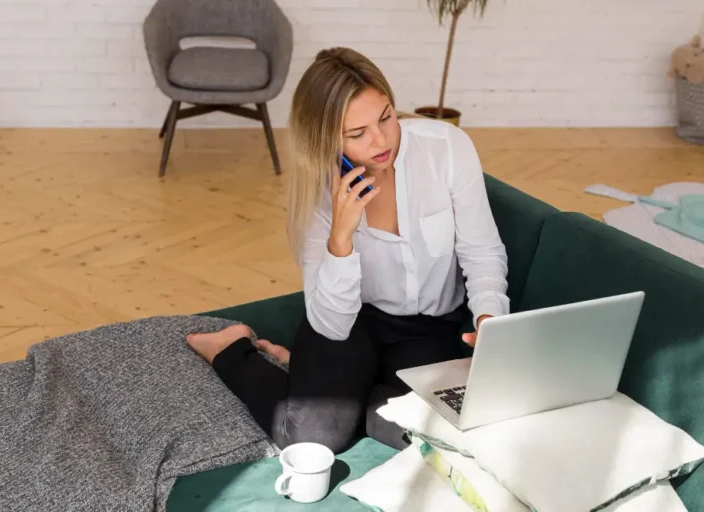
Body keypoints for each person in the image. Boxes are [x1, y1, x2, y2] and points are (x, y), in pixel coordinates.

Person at [187, 47, 509, 453]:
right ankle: (231, 350)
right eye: (357, 134)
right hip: (351, 325)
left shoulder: (446, 148)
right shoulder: (321, 188)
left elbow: (482, 252)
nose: (381, 140)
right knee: (312, 439)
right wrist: (341, 238)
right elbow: (332, 325)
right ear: (327, 139)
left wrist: (490, 321)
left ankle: (326, 383)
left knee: (428, 431)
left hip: (433, 328)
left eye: (386, 117)